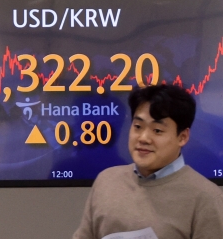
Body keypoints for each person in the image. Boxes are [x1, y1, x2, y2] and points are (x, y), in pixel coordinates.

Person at [73, 85, 223, 238]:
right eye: (138, 126)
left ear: (182, 137)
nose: (143, 138)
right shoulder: (106, 181)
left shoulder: (206, 197)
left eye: (157, 130)